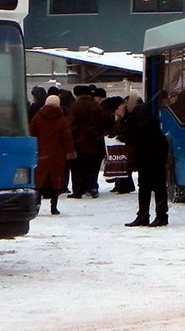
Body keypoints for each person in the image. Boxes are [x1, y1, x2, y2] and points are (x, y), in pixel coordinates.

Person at [117, 91, 171, 227]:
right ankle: (145, 215)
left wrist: (125, 124)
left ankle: (158, 216)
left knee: (155, 185)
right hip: (147, 153)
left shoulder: (139, 113)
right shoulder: (135, 114)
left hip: (153, 153)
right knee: (146, 185)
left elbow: (139, 132)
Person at [29, 95, 74, 215]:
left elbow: (32, 134)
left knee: (39, 181)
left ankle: (36, 206)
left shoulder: (38, 117)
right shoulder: (61, 119)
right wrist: (70, 152)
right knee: (56, 180)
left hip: (41, 153)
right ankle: (54, 207)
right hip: (57, 154)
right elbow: (67, 137)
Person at [67, 85, 108, 199]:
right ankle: (93, 188)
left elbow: (70, 126)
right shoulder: (96, 107)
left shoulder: (74, 107)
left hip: (78, 143)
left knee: (77, 168)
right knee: (93, 167)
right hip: (95, 143)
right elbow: (104, 124)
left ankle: (78, 190)